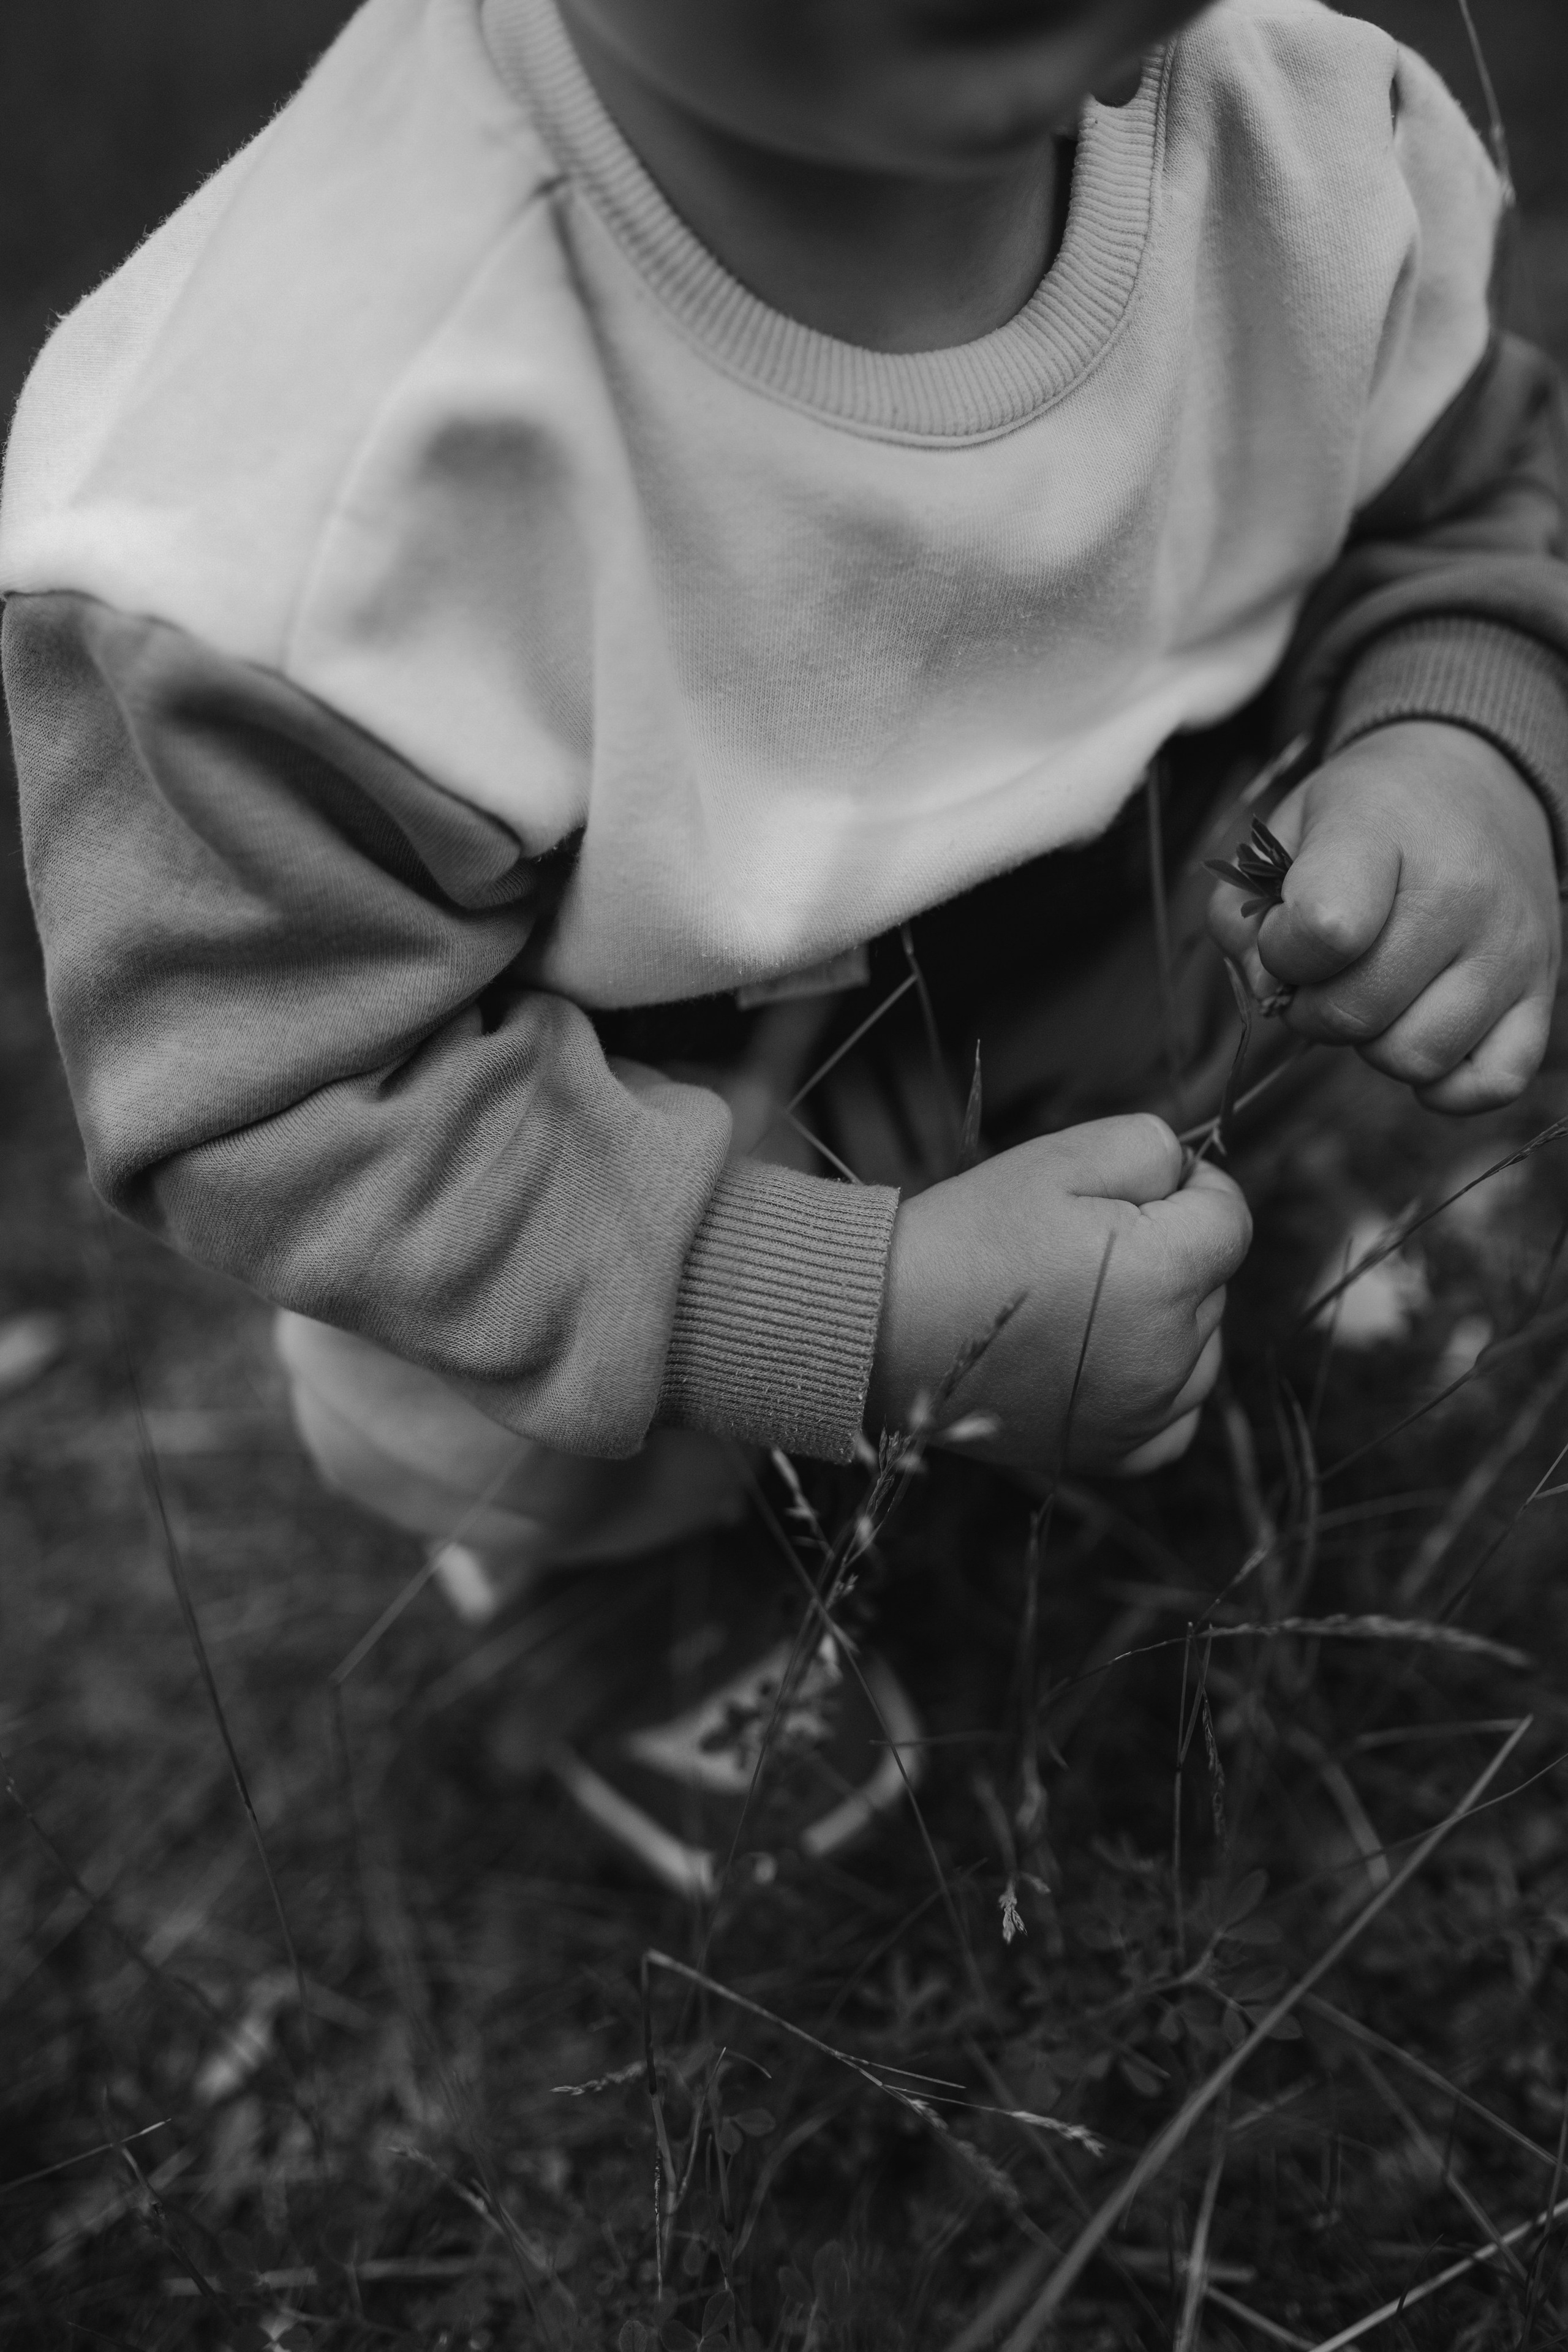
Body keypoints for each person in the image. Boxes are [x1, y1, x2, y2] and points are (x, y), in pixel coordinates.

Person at [4, 0, 1566, 1888]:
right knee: (568, 1442)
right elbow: (283, 1087)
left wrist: (1457, 734)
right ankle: (612, 1593)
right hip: (619, 1196)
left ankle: (1151, 1278)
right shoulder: (296, 481)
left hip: (1121, 999)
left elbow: (1473, 498)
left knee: (1187, 1218)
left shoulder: (1310, 160)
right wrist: (863, 1322)